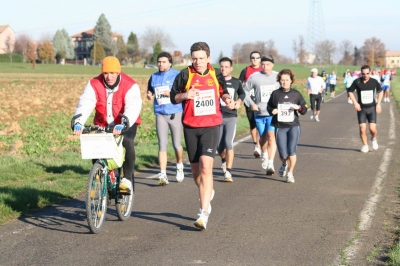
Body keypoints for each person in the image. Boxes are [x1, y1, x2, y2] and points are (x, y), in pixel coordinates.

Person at [170, 42, 233, 230]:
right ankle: (207, 191)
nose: (197, 62)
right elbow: (174, 96)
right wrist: (186, 95)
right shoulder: (185, 74)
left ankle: (203, 213)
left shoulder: (215, 74)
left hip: (211, 126)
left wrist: (228, 100)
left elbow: (224, 92)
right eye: (194, 58)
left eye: (201, 58)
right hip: (190, 127)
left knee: (207, 167)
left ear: (208, 58)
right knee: (197, 174)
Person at [73, 56, 142, 194]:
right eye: (105, 73)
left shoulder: (130, 85)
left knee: (127, 141)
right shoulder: (94, 84)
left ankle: (127, 179)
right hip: (103, 123)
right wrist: (78, 122)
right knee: (96, 147)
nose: (109, 76)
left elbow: (133, 106)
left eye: (112, 73)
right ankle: (102, 175)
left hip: (125, 123)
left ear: (118, 72)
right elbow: (85, 103)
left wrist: (124, 122)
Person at [147, 52, 184, 185]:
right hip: (160, 113)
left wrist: (172, 93)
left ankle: (179, 165)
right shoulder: (154, 76)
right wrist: (149, 95)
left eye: (163, 62)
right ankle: (163, 174)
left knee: (176, 144)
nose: (160, 64)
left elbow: (183, 92)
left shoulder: (177, 75)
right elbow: (150, 91)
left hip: (175, 112)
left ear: (170, 63)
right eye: (159, 61)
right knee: (162, 144)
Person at [267, 69, 308, 183]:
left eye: (287, 80)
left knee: (292, 151)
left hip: (293, 126)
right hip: (280, 126)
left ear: (291, 81)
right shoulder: (275, 94)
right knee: (283, 153)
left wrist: (298, 108)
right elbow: (269, 106)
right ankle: (284, 163)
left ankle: (290, 173)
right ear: (279, 81)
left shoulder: (296, 94)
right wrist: (272, 111)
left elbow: (304, 109)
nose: (284, 82)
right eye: (282, 80)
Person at [244, 55, 279, 175]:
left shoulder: (277, 76)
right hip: (259, 112)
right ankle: (264, 153)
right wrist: (251, 103)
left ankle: (271, 163)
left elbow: (284, 89)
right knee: (263, 137)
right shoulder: (254, 77)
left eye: (268, 64)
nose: (265, 66)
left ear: (272, 65)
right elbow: (244, 91)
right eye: (263, 64)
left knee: (271, 136)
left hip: (272, 113)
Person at [217, 57, 246, 182]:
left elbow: (242, 93)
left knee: (229, 143)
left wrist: (239, 102)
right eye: (221, 66)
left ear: (231, 68)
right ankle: (223, 160)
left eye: (226, 66)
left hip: (231, 116)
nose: (223, 69)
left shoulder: (236, 82)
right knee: (219, 146)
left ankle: (228, 171)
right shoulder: (215, 81)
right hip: (217, 117)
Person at [348, 65, 383, 153]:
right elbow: (350, 91)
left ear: (370, 72)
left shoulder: (374, 82)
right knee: (362, 128)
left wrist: (378, 104)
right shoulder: (357, 82)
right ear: (361, 73)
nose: (365, 75)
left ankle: (373, 138)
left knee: (372, 129)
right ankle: (365, 145)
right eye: (363, 74)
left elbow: (381, 91)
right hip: (361, 109)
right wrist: (355, 103)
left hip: (372, 108)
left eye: (367, 73)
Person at [239, 51, 262, 158]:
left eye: (257, 57)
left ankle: (261, 144)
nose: (255, 59)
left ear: (260, 59)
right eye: (253, 57)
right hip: (249, 100)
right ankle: (256, 145)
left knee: (260, 123)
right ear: (250, 59)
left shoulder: (264, 69)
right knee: (253, 123)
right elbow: (239, 84)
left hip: (262, 100)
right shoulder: (246, 70)